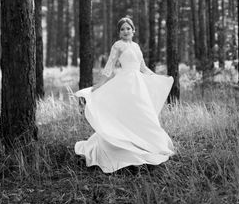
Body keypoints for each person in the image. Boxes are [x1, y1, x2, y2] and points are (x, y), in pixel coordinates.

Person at [75, 17, 175, 173]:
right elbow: (109, 66)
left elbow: (143, 67)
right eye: (122, 29)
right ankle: (122, 150)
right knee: (127, 115)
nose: (125, 31)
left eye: (128, 28)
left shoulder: (136, 46)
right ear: (119, 32)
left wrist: (157, 78)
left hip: (138, 85)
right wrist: (100, 84)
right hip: (125, 83)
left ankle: (148, 146)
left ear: (133, 30)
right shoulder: (118, 45)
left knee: (144, 115)